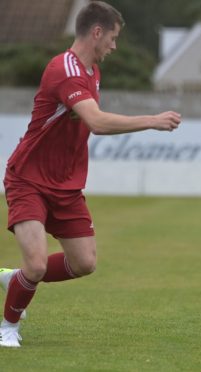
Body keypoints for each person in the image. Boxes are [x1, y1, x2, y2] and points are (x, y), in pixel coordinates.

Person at [0, 1, 181, 348]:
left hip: (65, 185)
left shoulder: (92, 71)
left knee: (83, 263)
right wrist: (152, 121)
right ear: (96, 32)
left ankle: (15, 280)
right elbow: (96, 122)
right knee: (37, 265)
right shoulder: (64, 69)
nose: (114, 46)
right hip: (29, 179)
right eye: (112, 38)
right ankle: (8, 327)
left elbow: (83, 117)